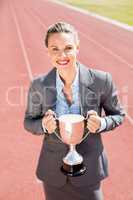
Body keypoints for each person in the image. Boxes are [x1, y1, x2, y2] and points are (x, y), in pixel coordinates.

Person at [24, 21, 125, 200]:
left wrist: (102, 123)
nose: (62, 55)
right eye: (55, 48)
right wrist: (43, 125)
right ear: (47, 51)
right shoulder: (38, 85)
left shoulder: (102, 80)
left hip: (89, 169)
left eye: (68, 47)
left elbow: (118, 115)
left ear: (77, 48)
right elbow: (29, 121)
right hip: (53, 173)